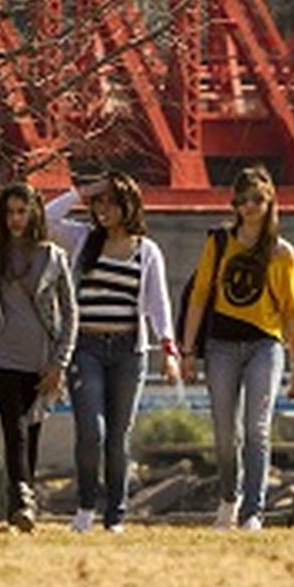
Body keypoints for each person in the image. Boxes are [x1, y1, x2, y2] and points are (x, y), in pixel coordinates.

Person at [46, 173, 180, 534]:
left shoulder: (147, 251)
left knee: (119, 436)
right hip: (85, 347)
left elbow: (157, 304)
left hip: (127, 352)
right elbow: (45, 219)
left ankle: (115, 516)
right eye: (98, 203)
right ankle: (86, 507)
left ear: (128, 206)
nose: (102, 210)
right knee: (92, 431)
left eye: (110, 202)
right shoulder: (82, 239)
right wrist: (82, 191)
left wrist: (168, 349)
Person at [178, 165, 294, 532]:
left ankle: (253, 511)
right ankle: (228, 499)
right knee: (224, 431)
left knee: (256, 429)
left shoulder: (282, 252)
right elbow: (199, 297)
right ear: (234, 204)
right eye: (243, 200)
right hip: (220, 344)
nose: (250, 207)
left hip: (265, 344)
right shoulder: (218, 242)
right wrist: (187, 351)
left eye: (258, 200)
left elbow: (292, 310)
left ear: (270, 203)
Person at [0, 183, 77, 532]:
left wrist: (60, 363)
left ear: (34, 213)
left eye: (21, 211)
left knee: (32, 432)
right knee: (14, 430)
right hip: (0, 356)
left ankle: (17, 512)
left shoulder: (53, 257)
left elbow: (71, 313)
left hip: (41, 360)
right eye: (9, 212)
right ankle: (25, 500)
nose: (15, 219)